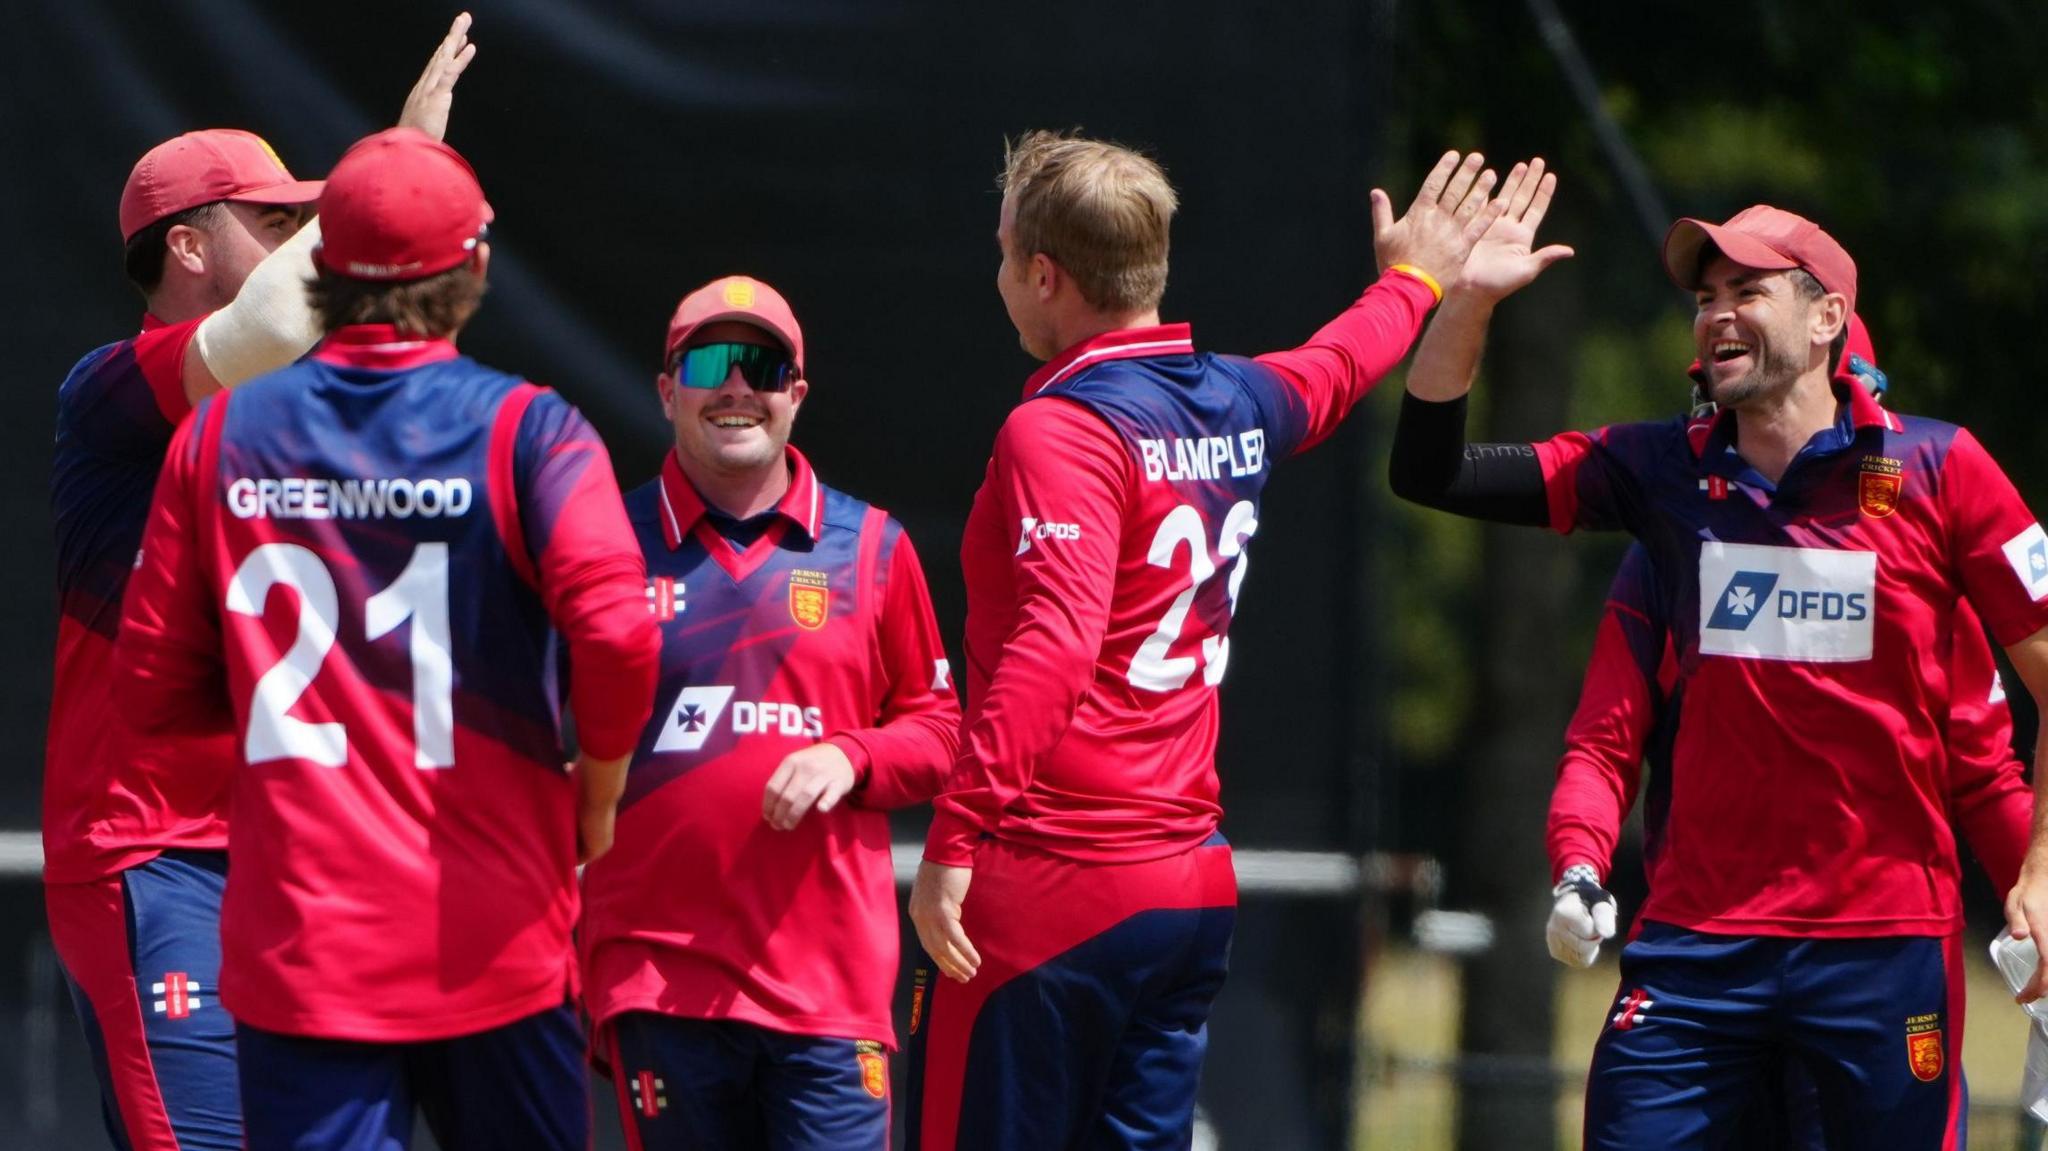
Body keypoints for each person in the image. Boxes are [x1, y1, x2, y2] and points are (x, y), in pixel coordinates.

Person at [1387, 166, 2048, 1149]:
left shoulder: (1939, 470)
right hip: (1693, 953)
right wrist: (1465, 302)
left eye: (1746, 290)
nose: (1715, 314)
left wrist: (2036, 867)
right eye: (1703, 297)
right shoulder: (1657, 470)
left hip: (1880, 952)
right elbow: (1429, 469)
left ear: (1826, 318)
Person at [902, 135, 1517, 1148]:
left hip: (1057, 876)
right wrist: (1411, 280)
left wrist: (956, 833)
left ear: (1044, 275)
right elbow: (1331, 370)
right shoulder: (1225, 395)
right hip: (1185, 882)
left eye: (1006, 252)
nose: (1001, 273)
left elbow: (1055, 644)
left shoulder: (1058, 431)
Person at [113, 126, 659, 1150]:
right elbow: (621, 637)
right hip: (496, 934)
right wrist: (596, 794)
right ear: (477, 268)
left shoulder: (219, 436)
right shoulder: (530, 430)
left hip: (304, 940)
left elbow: (149, 690)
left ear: (323, 270)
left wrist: (292, 739)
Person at [42, 17, 474, 1150]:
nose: (299, 235)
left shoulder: (304, 421)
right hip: (155, 854)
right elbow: (279, 315)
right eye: (274, 218)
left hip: (296, 857)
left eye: (306, 216)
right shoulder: (110, 393)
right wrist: (391, 165)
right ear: (188, 246)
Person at [1544, 320, 2033, 1149]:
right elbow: (1603, 742)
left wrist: (2041, 892)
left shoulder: (1921, 556)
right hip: (1704, 957)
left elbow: (1984, 776)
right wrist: (1579, 862)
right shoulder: (1670, 555)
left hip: (1875, 960)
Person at [579, 275, 962, 1149]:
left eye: (762, 364)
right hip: (658, 973)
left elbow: (942, 732)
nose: (738, 386)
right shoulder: (599, 538)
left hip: (825, 986)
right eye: (712, 361)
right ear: (669, 387)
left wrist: (851, 757)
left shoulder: (871, 546)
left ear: (796, 391)